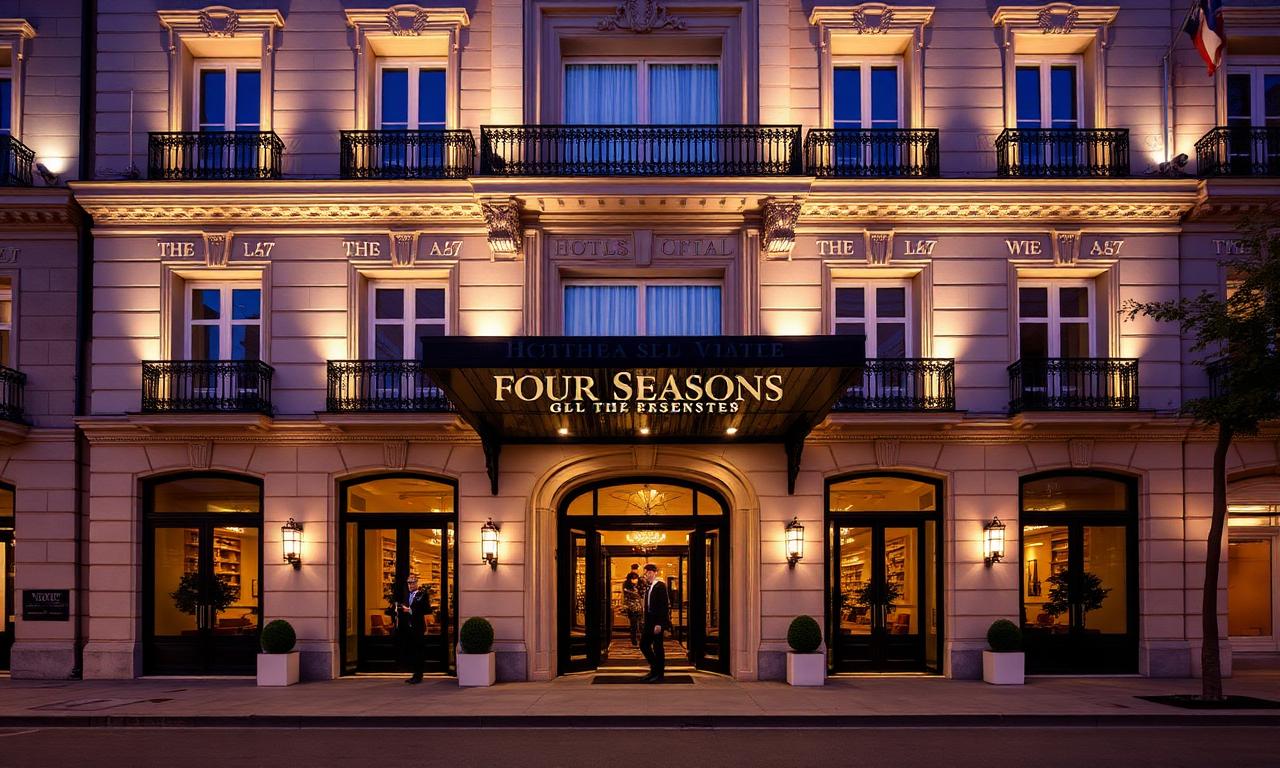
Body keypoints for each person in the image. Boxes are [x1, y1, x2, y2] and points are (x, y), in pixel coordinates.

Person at [397, 574, 432, 684]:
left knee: (419, 652)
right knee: (412, 651)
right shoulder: (407, 596)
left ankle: (418, 675)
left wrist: (410, 610)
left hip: (418, 627)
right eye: (409, 583)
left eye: (412, 583)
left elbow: (426, 610)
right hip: (408, 628)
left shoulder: (422, 595)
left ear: (417, 583)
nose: (410, 585)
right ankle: (414, 674)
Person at [639, 563, 671, 683]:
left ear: (655, 573)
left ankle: (659, 674)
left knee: (658, 647)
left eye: (650, 572)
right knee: (644, 645)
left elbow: (663, 606)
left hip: (657, 622)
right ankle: (655, 669)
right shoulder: (649, 586)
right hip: (649, 622)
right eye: (646, 573)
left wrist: (660, 624)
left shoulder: (660, 585)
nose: (647, 575)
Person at [622, 571, 644, 646]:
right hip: (632, 608)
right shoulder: (627, 586)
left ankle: (641, 640)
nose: (635, 580)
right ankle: (634, 640)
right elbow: (628, 596)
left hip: (639, 607)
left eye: (636, 579)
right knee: (634, 625)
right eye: (633, 579)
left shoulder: (639, 585)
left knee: (641, 624)